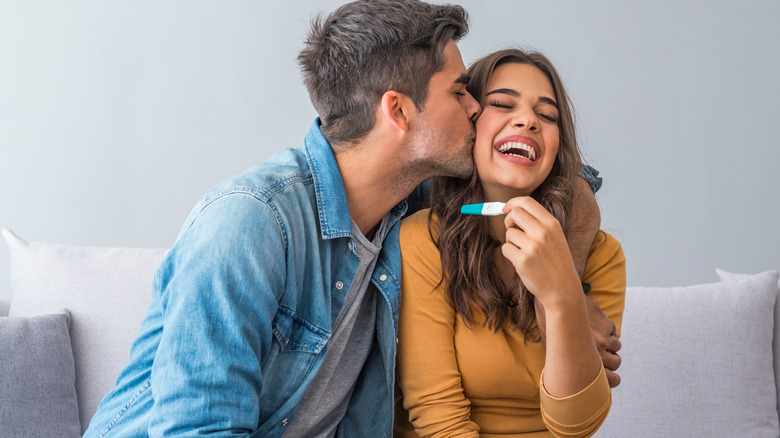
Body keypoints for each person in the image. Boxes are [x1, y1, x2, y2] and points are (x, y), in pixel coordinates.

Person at [83, 1, 610, 436]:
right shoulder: (251, 224)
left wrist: (568, 293)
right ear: (398, 112)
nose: (475, 108)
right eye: (458, 92)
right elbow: (197, 429)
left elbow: (568, 178)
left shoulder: (413, 207)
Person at [394, 48, 626, 437]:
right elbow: (438, 416)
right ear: (468, 123)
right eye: (502, 104)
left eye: (547, 115)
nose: (528, 120)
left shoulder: (603, 255)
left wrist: (561, 291)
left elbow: (577, 425)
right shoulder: (424, 238)